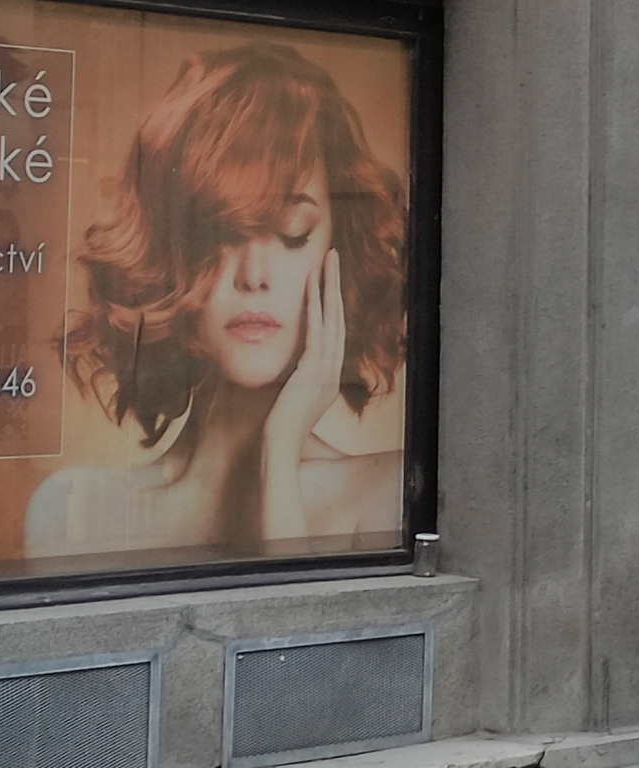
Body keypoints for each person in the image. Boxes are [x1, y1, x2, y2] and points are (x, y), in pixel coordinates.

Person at [27, 42, 408, 561]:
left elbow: (292, 641)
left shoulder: (385, 499)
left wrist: (281, 450)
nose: (254, 276)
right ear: (169, 253)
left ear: (339, 252)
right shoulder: (75, 509)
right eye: (223, 230)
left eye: (293, 233)